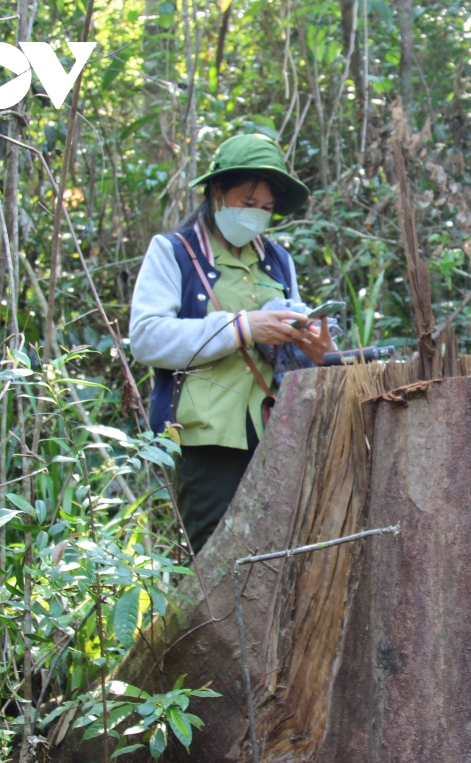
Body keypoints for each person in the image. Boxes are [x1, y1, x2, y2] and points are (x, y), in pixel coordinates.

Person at [129, 134, 335, 553]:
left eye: (266, 208)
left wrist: (316, 350)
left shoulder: (278, 260)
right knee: (215, 563)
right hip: (205, 439)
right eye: (247, 201)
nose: (257, 214)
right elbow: (146, 339)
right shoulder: (174, 252)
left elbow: (293, 352)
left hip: (276, 431)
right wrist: (243, 327)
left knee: (281, 556)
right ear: (218, 192)